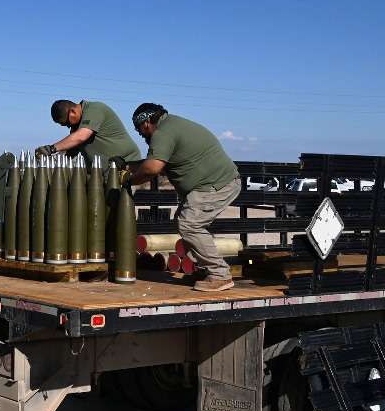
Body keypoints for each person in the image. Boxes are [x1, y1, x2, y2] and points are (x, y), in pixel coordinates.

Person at [128, 103, 241, 292]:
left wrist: (129, 180)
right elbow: (153, 162)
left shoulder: (163, 133)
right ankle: (206, 270)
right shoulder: (170, 127)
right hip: (212, 184)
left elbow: (153, 168)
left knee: (190, 223)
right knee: (185, 221)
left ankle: (220, 275)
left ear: (146, 122)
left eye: (139, 129)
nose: (140, 134)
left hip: (216, 184)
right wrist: (128, 165)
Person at [34, 99, 141, 165]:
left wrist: (51, 149)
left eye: (66, 122)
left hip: (127, 165)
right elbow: (70, 152)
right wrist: (52, 160)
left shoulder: (94, 109)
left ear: (73, 111)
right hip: (103, 173)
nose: (67, 126)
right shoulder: (77, 127)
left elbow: (81, 136)